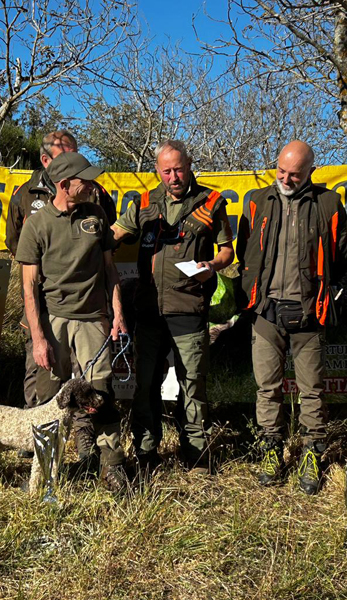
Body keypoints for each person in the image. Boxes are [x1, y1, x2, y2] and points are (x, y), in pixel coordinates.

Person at [112, 140, 234, 475]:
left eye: (178, 169)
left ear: (189, 165)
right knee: (145, 384)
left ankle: (195, 453)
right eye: (166, 171)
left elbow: (227, 251)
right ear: (157, 171)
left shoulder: (211, 202)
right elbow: (116, 233)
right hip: (149, 310)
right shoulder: (144, 203)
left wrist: (212, 265)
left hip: (189, 308)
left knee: (192, 383)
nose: (173, 177)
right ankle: (146, 453)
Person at [236, 140, 347, 494]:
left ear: (311, 172)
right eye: (281, 171)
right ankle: (271, 449)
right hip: (265, 311)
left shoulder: (329, 204)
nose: (285, 179)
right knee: (267, 388)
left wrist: (320, 289)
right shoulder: (256, 201)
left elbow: (341, 255)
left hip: (309, 312)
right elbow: (244, 249)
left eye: (294, 175)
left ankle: (312, 453)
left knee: (312, 390)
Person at [15, 151, 128, 491]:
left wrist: (117, 312)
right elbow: (29, 288)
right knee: (49, 399)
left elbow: (110, 269)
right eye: (85, 180)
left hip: (93, 319)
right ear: (64, 184)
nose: (92, 185)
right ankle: (46, 474)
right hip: (54, 321)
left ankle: (112, 467)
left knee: (102, 392)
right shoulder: (37, 224)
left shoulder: (96, 214)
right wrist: (39, 339)